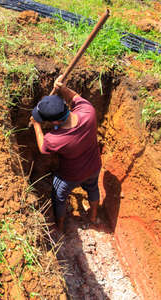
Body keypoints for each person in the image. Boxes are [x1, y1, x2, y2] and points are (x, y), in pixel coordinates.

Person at [29, 75, 102, 232]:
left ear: (55, 123)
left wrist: (36, 125)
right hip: (94, 166)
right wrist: (63, 88)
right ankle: (93, 217)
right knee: (93, 188)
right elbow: (75, 96)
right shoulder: (88, 111)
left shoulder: (55, 140)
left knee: (59, 197)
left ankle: (60, 226)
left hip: (71, 176)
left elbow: (42, 147)